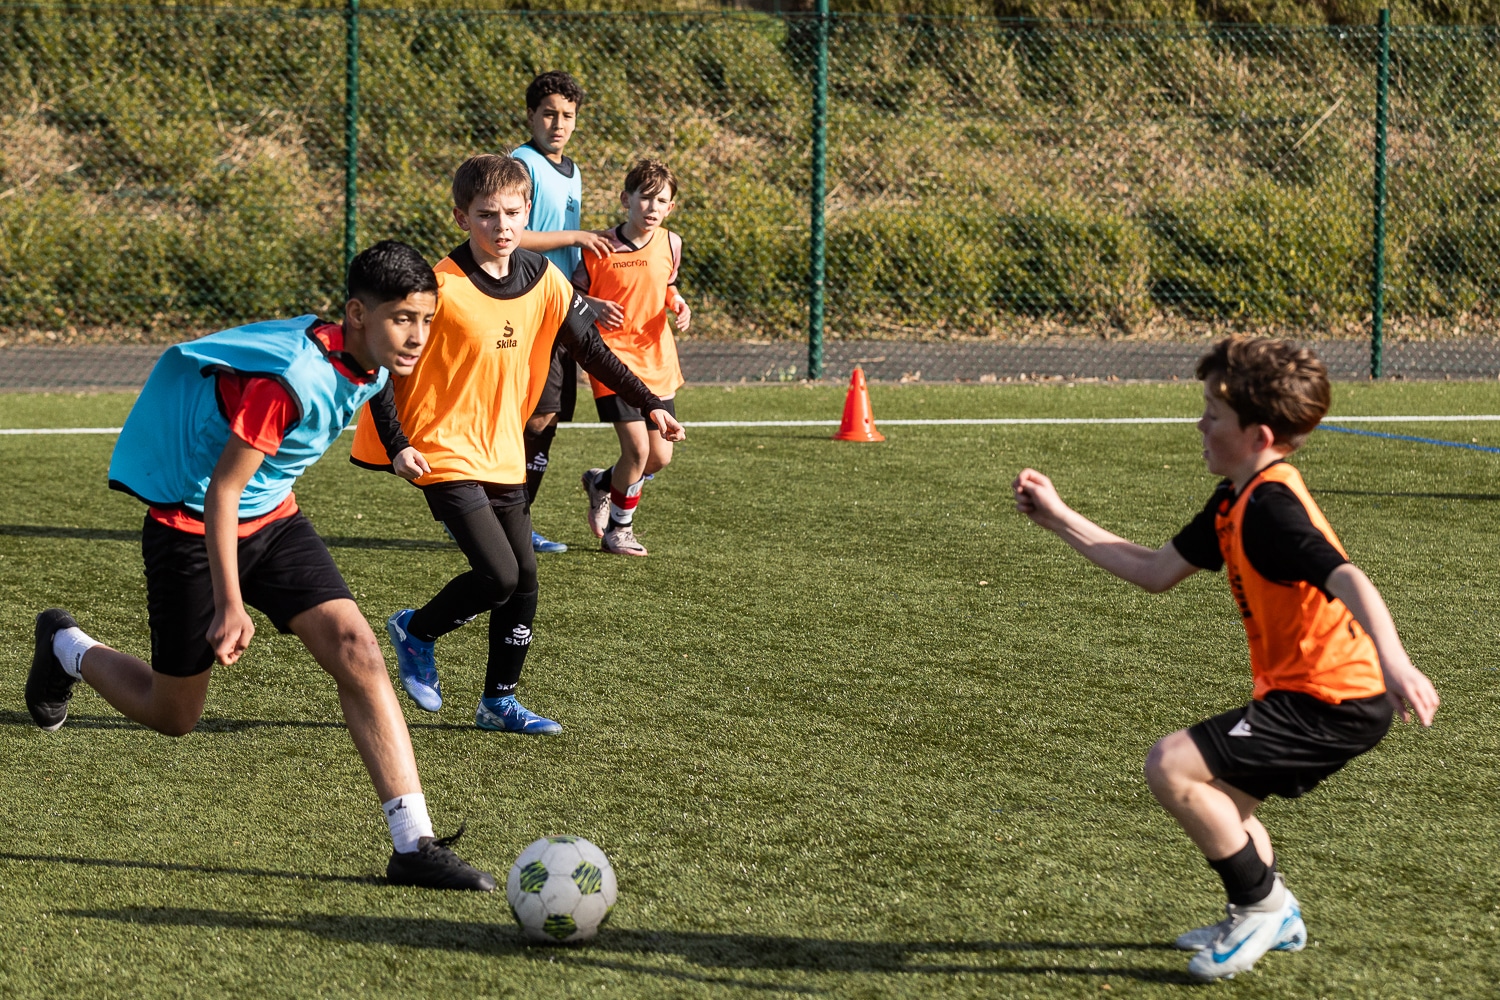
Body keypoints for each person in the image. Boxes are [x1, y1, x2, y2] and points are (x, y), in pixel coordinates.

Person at [26, 241, 494, 891]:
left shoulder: (373, 355)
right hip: (192, 526)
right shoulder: (288, 385)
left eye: (426, 319)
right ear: (358, 315)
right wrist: (230, 603)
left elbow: (377, 387)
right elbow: (222, 491)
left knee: (358, 649)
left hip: (274, 520)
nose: (417, 335)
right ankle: (67, 646)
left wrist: (398, 445)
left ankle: (413, 844)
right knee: (173, 715)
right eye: (403, 319)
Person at [1011, 336, 1439, 982]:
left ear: (1258, 436)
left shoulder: (1273, 507)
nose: (1200, 425)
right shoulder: (1235, 499)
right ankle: (1275, 915)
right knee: (1221, 801)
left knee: (1172, 765)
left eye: (1213, 415)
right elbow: (1155, 571)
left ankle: (1260, 908)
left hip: (1333, 701)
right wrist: (1058, 518)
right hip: (1309, 694)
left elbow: (1347, 576)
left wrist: (1397, 660)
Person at [350, 154, 683, 735]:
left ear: (527, 211)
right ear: (462, 218)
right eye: (486, 215)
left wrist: (650, 401)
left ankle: (498, 703)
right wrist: (398, 443)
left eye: (511, 212)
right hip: (440, 448)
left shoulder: (544, 277)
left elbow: (592, 350)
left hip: (501, 447)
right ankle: (417, 630)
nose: (501, 226)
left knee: (524, 578)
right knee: (499, 575)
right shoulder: (439, 287)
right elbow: (380, 367)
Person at [512, 70, 613, 555]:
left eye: (567, 116)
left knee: (546, 418)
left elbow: (567, 256)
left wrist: (585, 297)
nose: (558, 124)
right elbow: (513, 236)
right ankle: (498, 519)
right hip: (526, 301)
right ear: (531, 115)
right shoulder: (520, 163)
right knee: (534, 415)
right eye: (549, 114)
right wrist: (576, 236)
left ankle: (509, 519)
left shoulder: (573, 171)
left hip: (559, 303)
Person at [574, 158, 690, 557]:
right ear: (626, 199)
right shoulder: (599, 247)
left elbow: (667, 283)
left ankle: (601, 482)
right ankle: (619, 532)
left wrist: (678, 302)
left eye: (661, 200)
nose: (652, 207)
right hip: (612, 361)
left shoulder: (671, 243)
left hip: (658, 361)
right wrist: (593, 304)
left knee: (659, 457)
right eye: (645, 198)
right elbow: (570, 294)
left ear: (671, 207)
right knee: (638, 450)